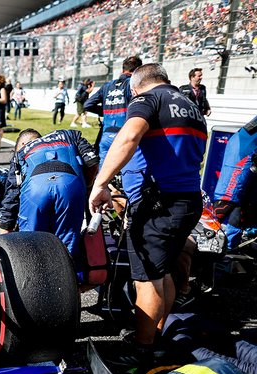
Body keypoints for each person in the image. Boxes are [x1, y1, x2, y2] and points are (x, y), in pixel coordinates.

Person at [88, 63, 206, 357]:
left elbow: (128, 137)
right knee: (162, 272)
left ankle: (143, 348)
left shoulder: (147, 99)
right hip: (188, 200)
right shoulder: (191, 105)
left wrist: (100, 183)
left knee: (146, 280)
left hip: (160, 205)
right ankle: (157, 335)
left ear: (135, 87)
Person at [0, 128, 99, 264]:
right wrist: (87, 188)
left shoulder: (21, 153)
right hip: (71, 187)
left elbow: (11, 198)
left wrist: (4, 241)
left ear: (22, 144)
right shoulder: (70, 134)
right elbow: (92, 162)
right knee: (66, 247)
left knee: (30, 246)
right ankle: (66, 281)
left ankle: (34, 278)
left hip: (35, 191)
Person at [85, 56, 143, 167]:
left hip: (106, 134)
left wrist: (107, 111)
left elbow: (87, 105)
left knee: (102, 173)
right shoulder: (133, 85)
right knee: (128, 170)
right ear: (138, 71)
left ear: (122, 70)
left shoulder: (107, 85)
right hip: (124, 135)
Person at [212, 114, 257, 247]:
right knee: (226, 202)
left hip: (251, 149)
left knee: (247, 205)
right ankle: (201, 239)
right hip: (245, 147)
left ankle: (231, 245)